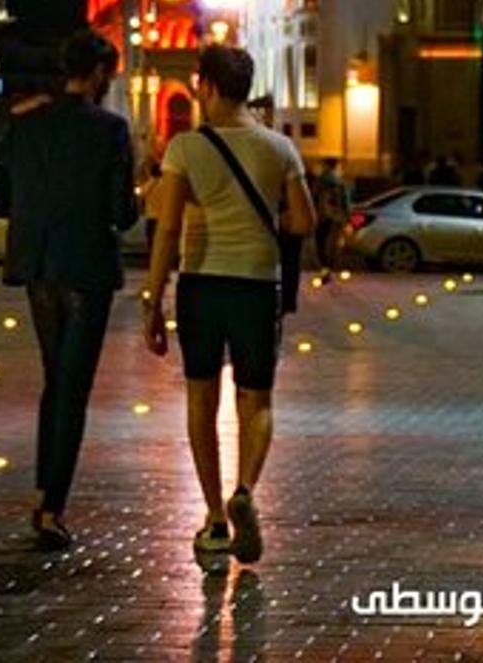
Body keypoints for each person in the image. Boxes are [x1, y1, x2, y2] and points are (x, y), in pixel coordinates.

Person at [142, 45, 313, 572]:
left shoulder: (186, 148)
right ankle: (245, 489)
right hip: (257, 285)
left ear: (209, 87)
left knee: (201, 398)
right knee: (255, 398)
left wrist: (153, 300)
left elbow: (166, 227)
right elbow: (303, 223)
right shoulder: (280, 148)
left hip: (202, 282)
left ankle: (215, 518)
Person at [0, 30, 139, 552]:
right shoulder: (110, 130)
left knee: (55, 381)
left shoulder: (25, 126)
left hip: (38, 263)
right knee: (73, 388)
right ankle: (51, 508)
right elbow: (122, 212)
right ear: (98, 75)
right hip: (86, 265)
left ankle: (43, 494)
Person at [311, 157, 350, 272]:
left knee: (321, 240)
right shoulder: (340, 181)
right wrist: (346, 215)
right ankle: (331, 263)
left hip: (323, 214)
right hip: (337, 215)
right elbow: (345, 200)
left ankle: (324, 264)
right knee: (333, 240)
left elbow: (314, 196)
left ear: (326, 166)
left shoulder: (322, 179)